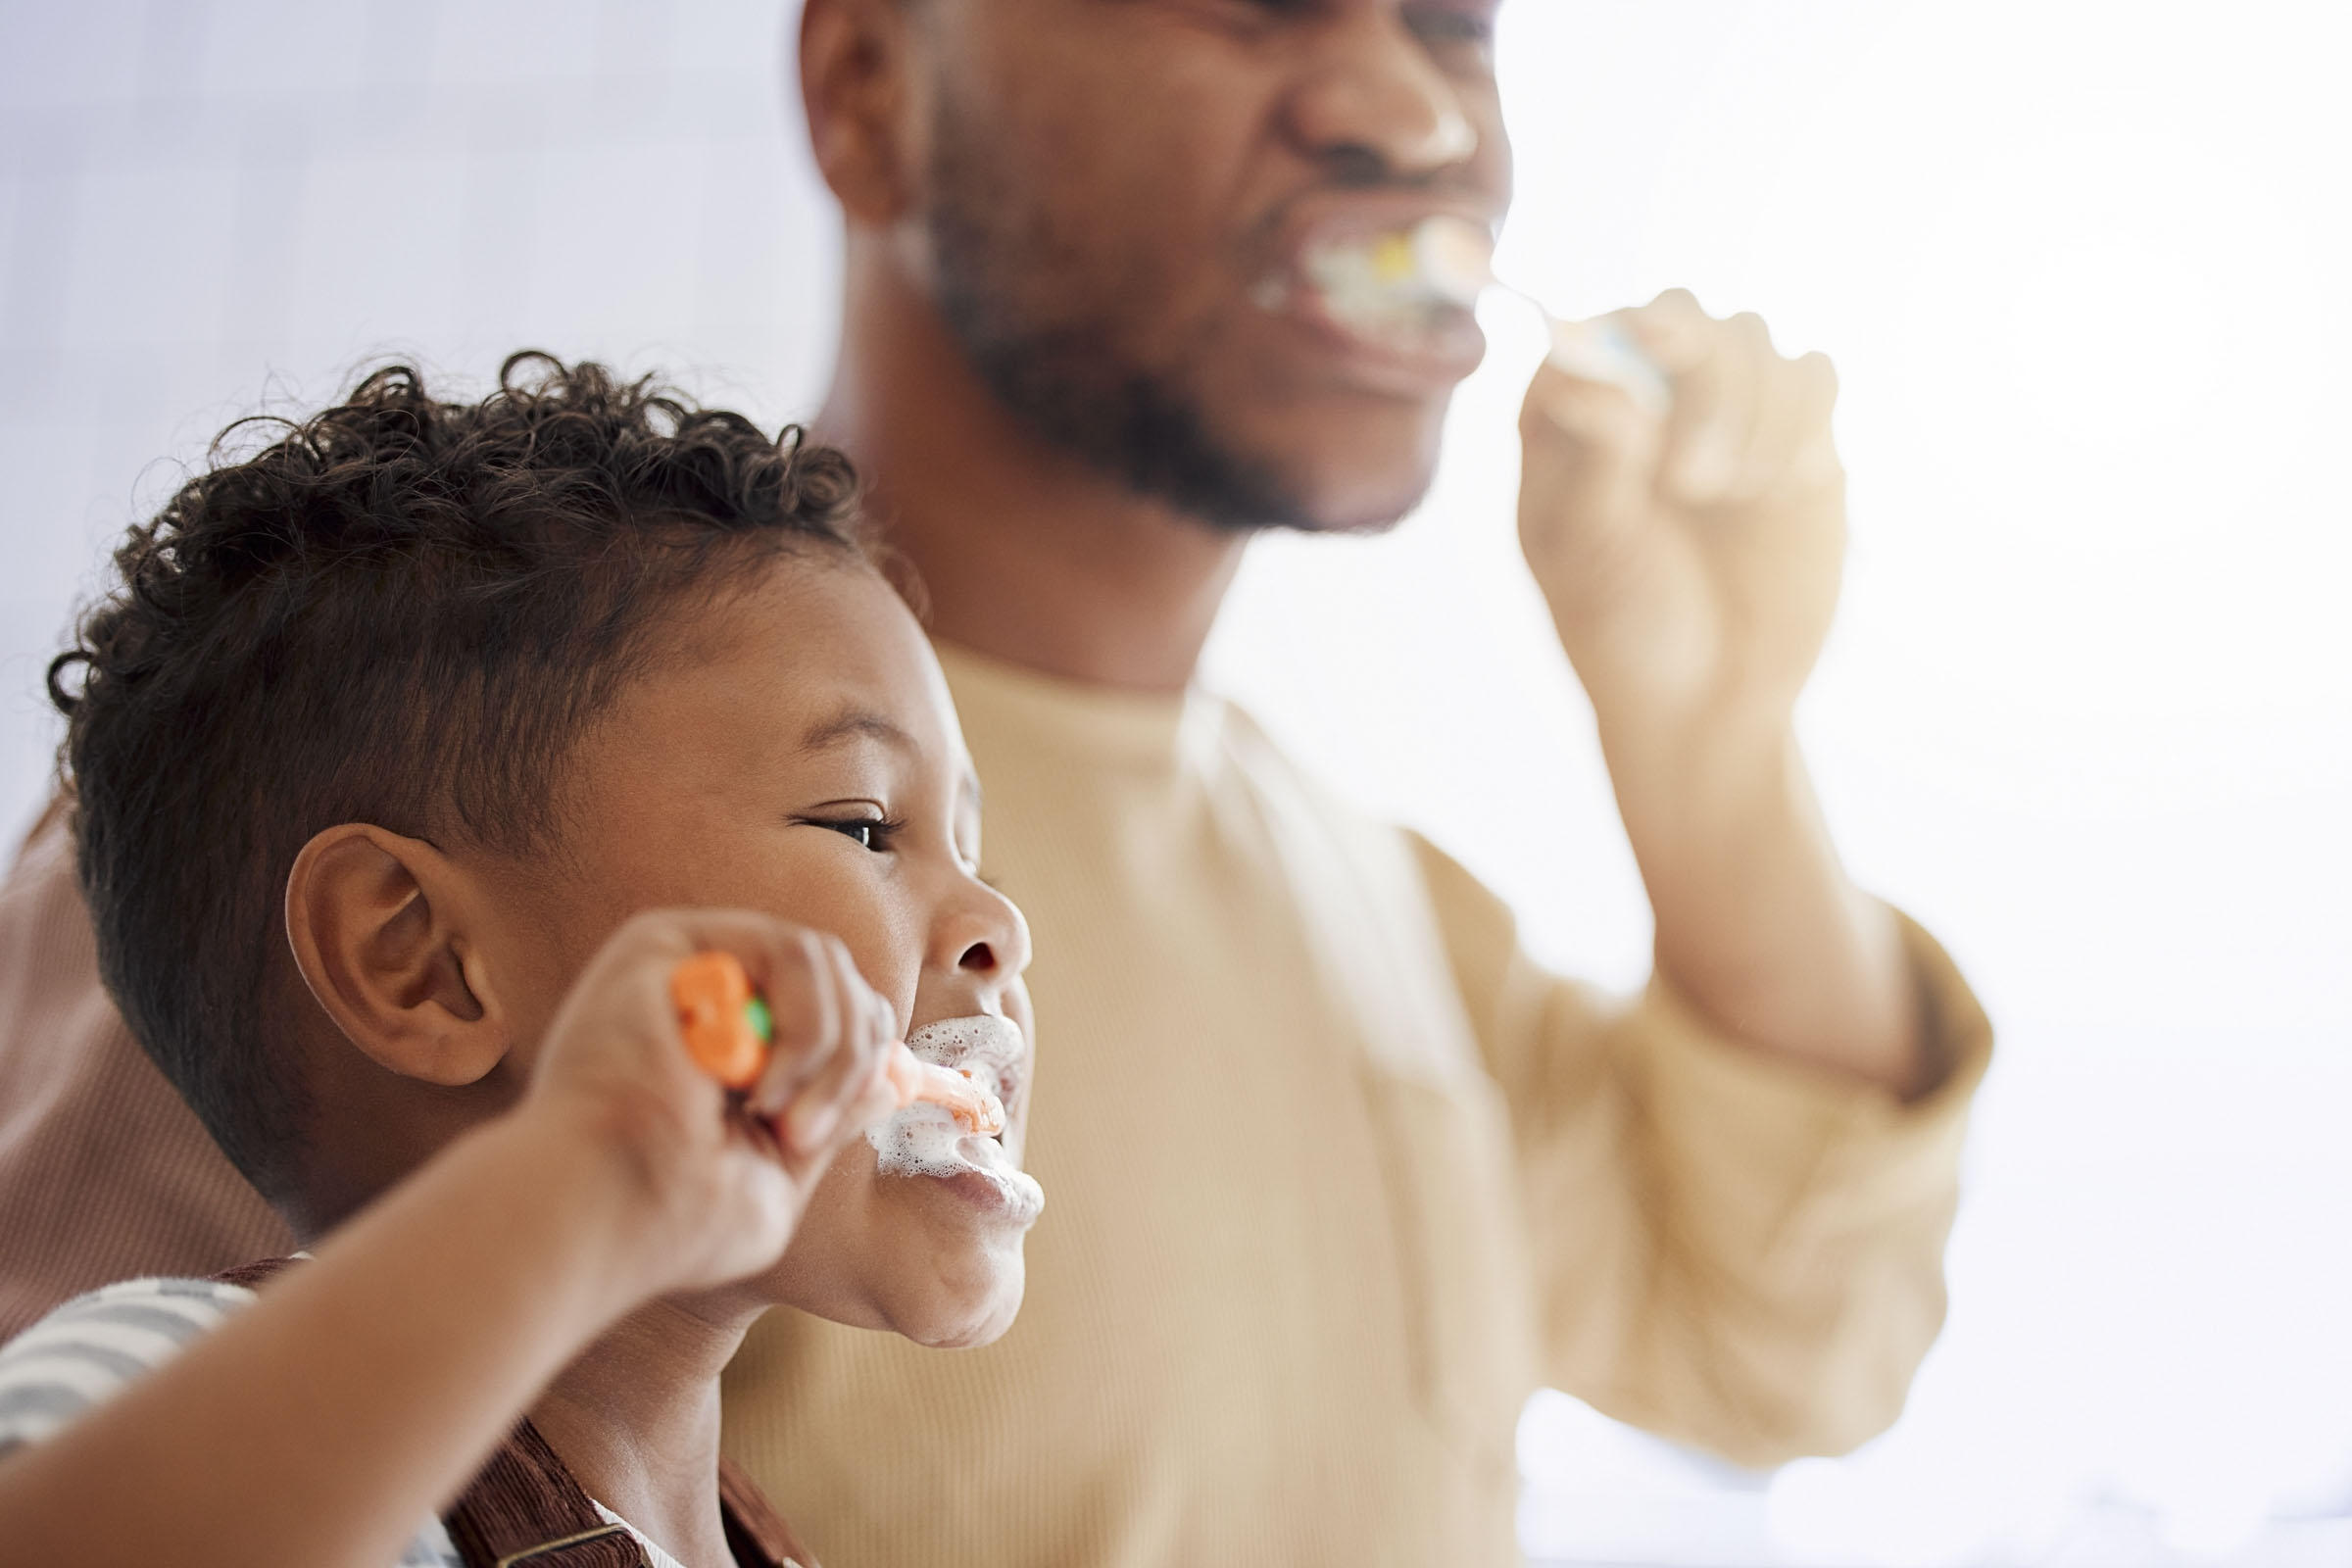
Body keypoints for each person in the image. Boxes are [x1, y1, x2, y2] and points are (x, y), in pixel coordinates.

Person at [0, 4, 1994, 1563]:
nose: (1409, 111)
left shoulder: (1379, 900)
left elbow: (1787, 1344)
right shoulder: (376, 771)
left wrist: (1712, 745)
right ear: (872, 85)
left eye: (1461, 24)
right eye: (1254, 4)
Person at [0, 357, 1042, 1567]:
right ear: (422, 962)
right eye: (863, 823)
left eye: (978, 854)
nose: (997, 922)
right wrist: (582, 1178)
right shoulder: (180, 1385)